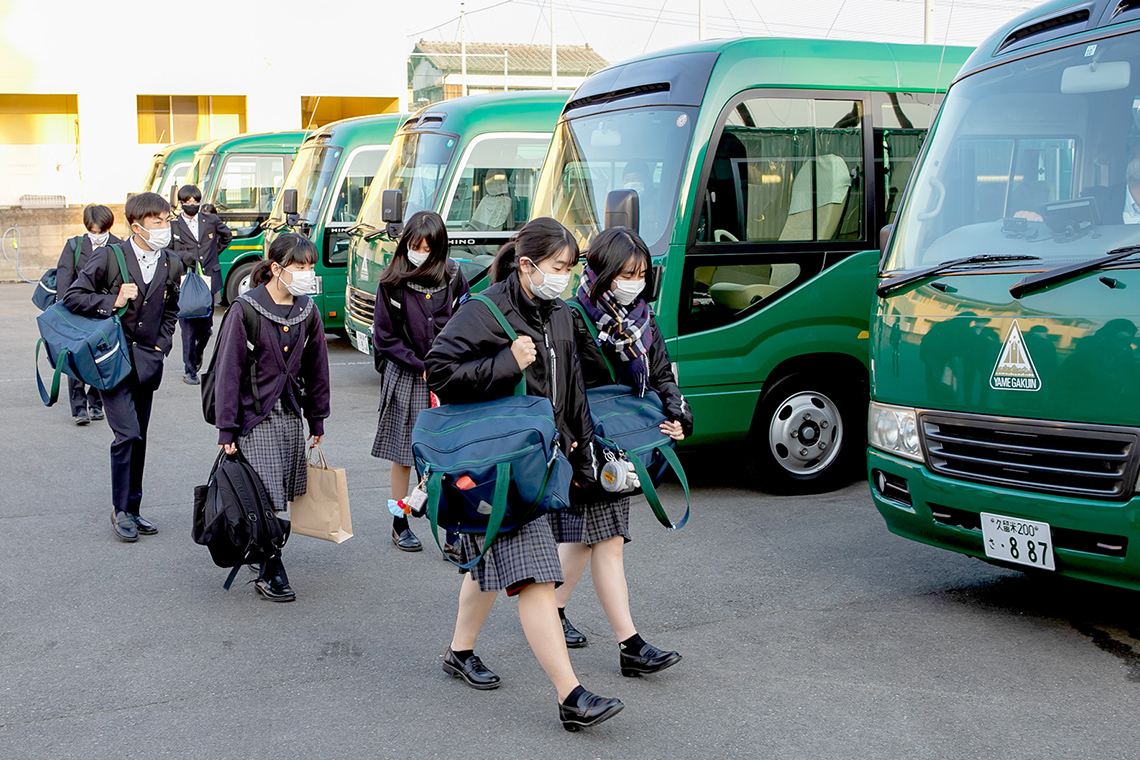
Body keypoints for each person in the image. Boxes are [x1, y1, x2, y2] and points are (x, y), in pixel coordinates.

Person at [424, 217, 624, 732]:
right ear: (527, 264)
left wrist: (583, 461)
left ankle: (458, 651)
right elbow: (439, 372)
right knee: (536, 575)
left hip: (546, 463)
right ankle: (571, 696)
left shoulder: (559, 313)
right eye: (558, 267)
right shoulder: (484, 310)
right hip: (501, 467)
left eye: (571, 268)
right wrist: (506, 362)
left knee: (487, 565)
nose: (565, 277)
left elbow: (573, 388)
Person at [555, 226, 691, 677]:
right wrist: (580, 450)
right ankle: (630, 645)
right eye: (624, 274)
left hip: (624, 446)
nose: (634, 282)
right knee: (606, 542)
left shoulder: (643, 318)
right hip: (589, 446)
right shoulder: (573, 316)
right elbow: (566, 390)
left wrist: (676, 413)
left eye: (641, 273)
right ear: (601, 273)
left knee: (587, 541)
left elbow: (663, 372)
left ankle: (548, 608)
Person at [213, 233, 330, 602]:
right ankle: (271, 567)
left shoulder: (307, 310)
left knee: (281, 488)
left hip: (289, 411)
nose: (308, 273)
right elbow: (227, 373)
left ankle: (261, 548)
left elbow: (317, 368)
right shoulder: (244, 309)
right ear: (276, 268)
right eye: (300, 266)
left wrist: (318, 419)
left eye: (311, 266)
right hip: (252, 415)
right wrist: (226, 428)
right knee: (266, 493)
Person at [63, 192, 182, 542]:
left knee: (140, 437)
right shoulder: (110, 257)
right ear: (136, 226)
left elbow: (171, 308)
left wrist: (161, 346)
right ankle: (120, 510)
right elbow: (73, 296)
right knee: (127, 433)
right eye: (156, 221)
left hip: (147, 361)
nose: (164, 227)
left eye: (166, 220)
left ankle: (134, 507)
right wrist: (112, 300)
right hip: (110, 361)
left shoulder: (171, 263)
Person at [370, 211, 469, 555]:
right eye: (414, 246)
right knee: (403, 454)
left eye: (427, 247)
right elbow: (384, 338)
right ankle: (401, 521)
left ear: (440, 248)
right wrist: (420, 364)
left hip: (449, 376)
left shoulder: (455, 276)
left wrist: (449, 362)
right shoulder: (392, 282)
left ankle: (453, 527)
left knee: (450, 455)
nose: (420, 253)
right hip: (407, 373)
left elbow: (467, 321)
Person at [55, 204, 122, 426]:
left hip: (106, 310)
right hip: (78, 310)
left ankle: (96, 403)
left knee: (102, 357)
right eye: (93, 232)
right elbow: (64, 279)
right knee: (76, 357)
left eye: (102, 232)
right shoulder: (74, 246)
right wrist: (65, 311)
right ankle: (78, 407)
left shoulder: (119, 246)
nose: (98, 237)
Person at [171, 183, 232, 385]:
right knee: (188, 327)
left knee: (206, 328)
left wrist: (214, 253)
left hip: (208, 279)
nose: (192, 205)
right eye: (188, 202)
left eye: (196, 201)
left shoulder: (211, 220)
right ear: (180, 203)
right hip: (186, 280)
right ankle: (190, 370)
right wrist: (183, 256)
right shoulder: (173, 225)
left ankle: (197, 357)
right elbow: (167, 249)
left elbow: (227, 236)